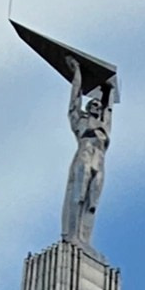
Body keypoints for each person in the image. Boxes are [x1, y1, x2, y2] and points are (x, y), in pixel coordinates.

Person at [61, 57, 114, 246]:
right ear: (88, 107)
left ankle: (84, 240)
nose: (97, 107)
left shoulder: (104, 126)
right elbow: (75, 100)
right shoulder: (81, 121)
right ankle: (72, 236)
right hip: (84, 158)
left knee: (92, 204)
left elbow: (109, 108)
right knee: (78, 196)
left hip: (99, 163)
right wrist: (77, 73)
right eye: (93, 105)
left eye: (99, 105)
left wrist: (109, 90)